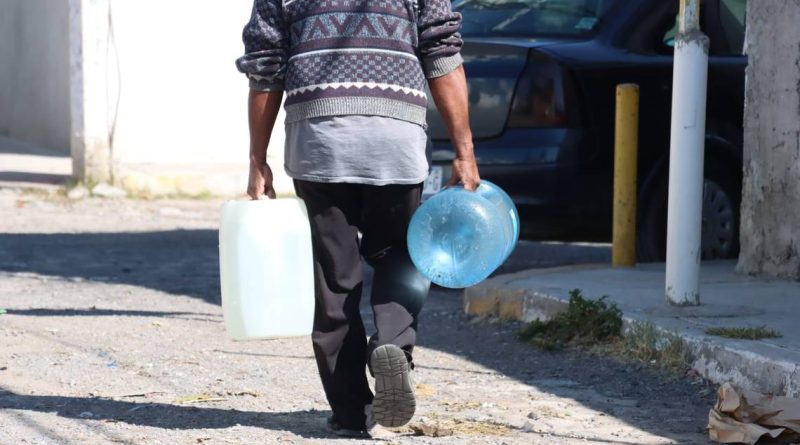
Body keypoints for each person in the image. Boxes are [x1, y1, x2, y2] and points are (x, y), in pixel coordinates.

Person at [236, 0, 479, 437]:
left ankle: (352, 411)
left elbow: (265, 67)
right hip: (396, 137)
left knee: (335, 280)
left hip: (318, 141)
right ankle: (392, 343)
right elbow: (442, 55)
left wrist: (258, 157)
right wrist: (464, 153)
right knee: (400, 256)